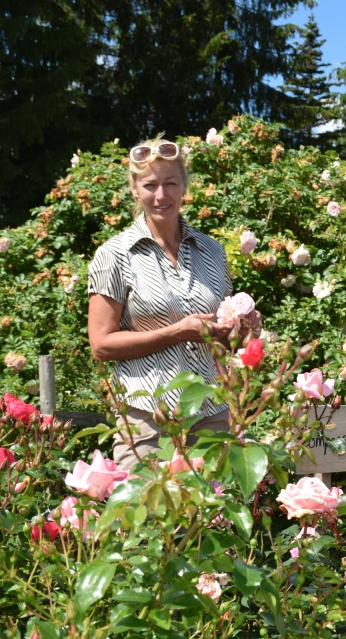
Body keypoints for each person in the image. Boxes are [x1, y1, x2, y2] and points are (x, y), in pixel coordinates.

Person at [87, 136, 233, 468]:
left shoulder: (212, 251)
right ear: (135, 190)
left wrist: (242, 328)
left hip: (212, 415)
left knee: (213, 517)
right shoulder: (114, 255)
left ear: (184, 187)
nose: (161, 195)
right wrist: (176, 332)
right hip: (149, 422)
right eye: (150, 185)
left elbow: (225, 338)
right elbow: (101, 345)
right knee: (150, 517)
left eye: (170, 183)